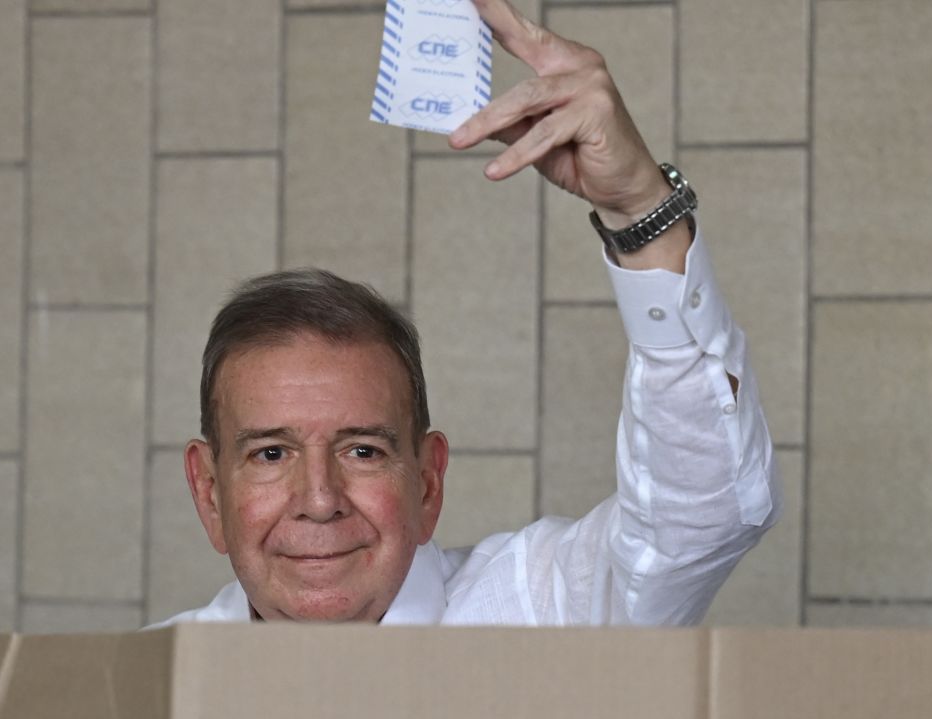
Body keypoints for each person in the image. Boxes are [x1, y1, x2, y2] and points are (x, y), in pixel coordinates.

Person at [147, 0, 780, 628]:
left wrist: (641, 208)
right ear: (208, 492)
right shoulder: (137, 686)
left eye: (364, 451)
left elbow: (700, 517)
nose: (319, 501)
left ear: (427, 482)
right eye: (270, 454)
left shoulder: (544, 612)